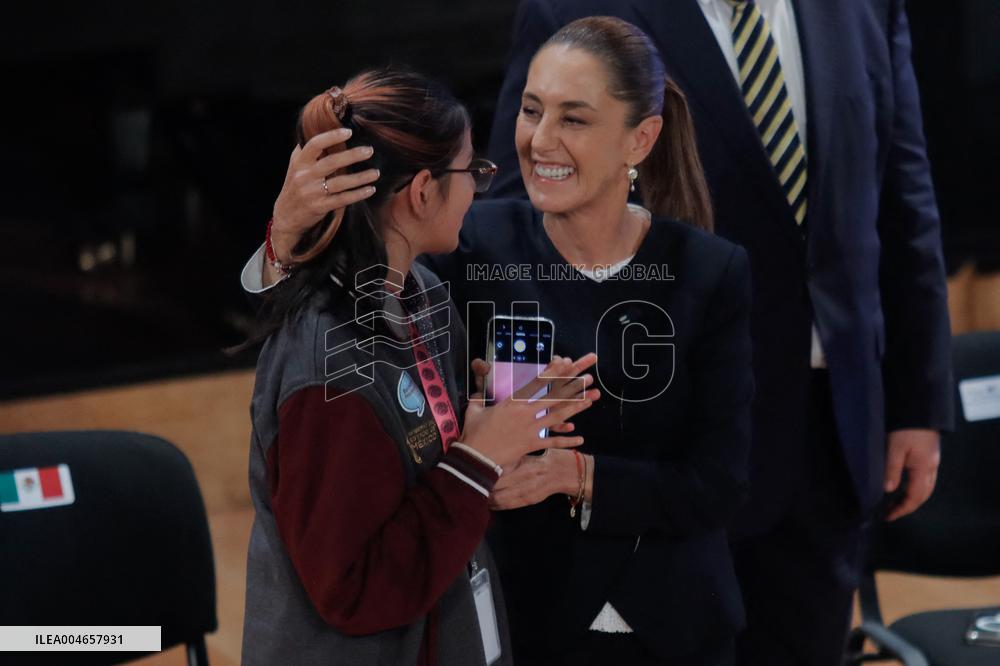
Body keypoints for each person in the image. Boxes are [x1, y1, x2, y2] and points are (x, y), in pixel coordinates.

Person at [244, 17, 754, 665]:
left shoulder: (711, 270)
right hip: (518, 616)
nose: (539, 140)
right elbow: (334, 308)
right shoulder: (464, 242)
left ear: (641, 138)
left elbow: (720, 482)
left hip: (672, 622)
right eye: (531, 109)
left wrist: (575, 472)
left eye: (573, 118)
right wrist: (284, 240)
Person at [483, 1, 955, 665]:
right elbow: (512, 218)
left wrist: (917, 399)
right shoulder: (572, 9)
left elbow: (904, 201)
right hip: (650, 445)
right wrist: (522, 408)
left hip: (830, 434)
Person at [242, 67, 601, 666]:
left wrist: (499, 419)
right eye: (471, 172)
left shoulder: (422, 293)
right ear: (423, 191)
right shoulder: (328, 371)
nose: (479, 188)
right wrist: (476, 460)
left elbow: (411, 457)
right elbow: (352, 591)